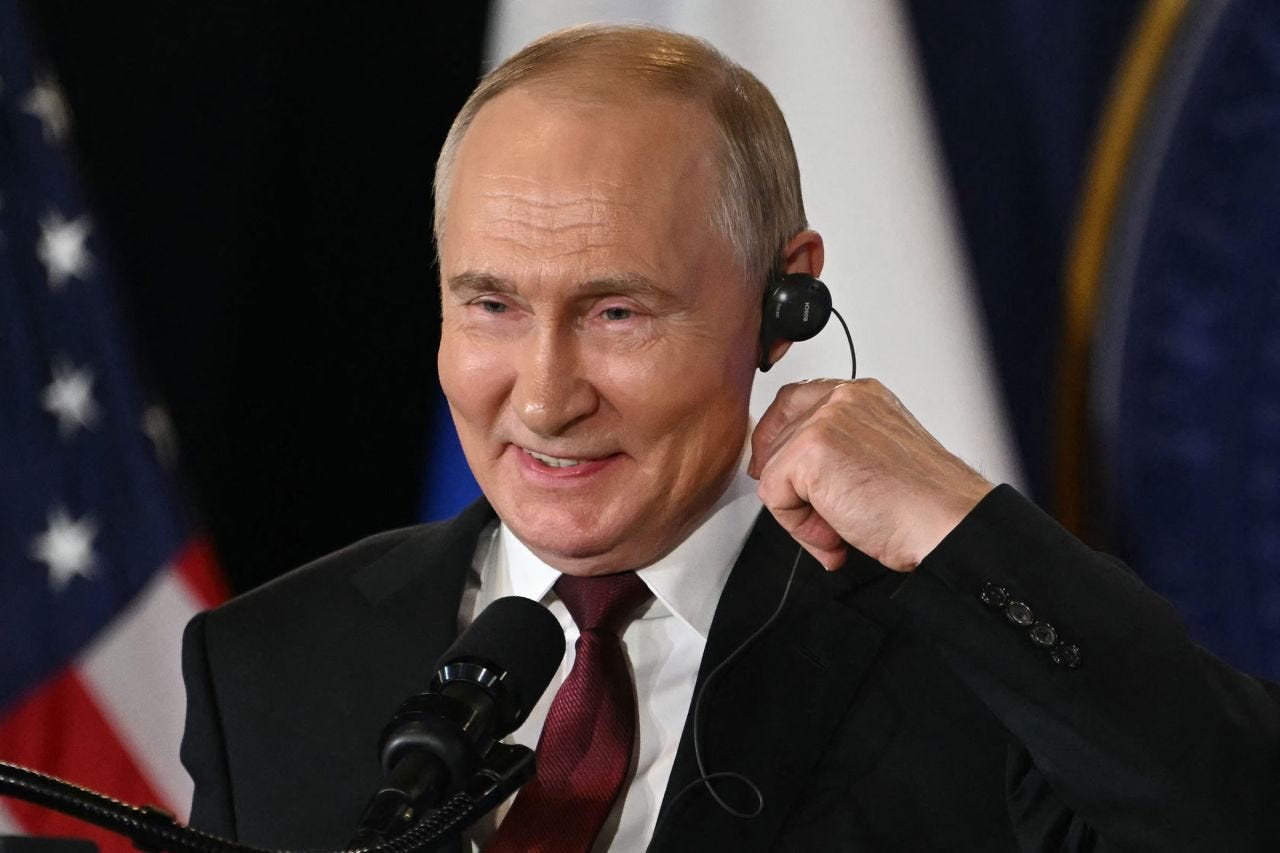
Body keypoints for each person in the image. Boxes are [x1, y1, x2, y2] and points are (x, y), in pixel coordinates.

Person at [180, 24, 1280, 852]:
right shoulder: (268, 665)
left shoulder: (970, 666)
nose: (547, 398)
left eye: (617, 312)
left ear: (782, 300)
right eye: (492, 306)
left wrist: (963, 530)